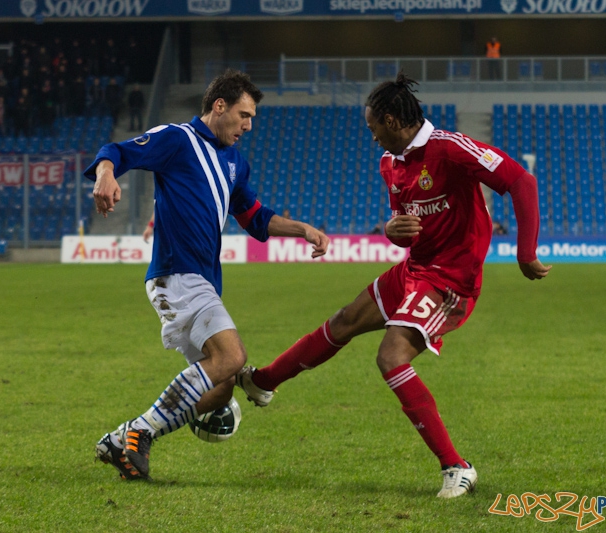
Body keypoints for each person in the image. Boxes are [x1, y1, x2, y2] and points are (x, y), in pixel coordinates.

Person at [235, 73, 551, 499]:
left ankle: (456, 467)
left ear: (391, 120)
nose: (372, 138)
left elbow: (520, 181)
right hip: (414, 270)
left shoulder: (450, 148)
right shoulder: (392, 163)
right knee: (344, 321)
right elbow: (404, 225)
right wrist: (392, 229)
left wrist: (525, 253)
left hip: (450, 282)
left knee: (391, 356)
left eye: (373, 129)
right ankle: (264, 381)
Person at [88, 70, 330, 481]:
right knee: (232, 358)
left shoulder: (236, 161)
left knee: (219, 387)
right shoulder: (178, 140)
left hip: (201, 280)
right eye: (243, 114)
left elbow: (254, 218)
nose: (248, 126)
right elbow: (117, 150)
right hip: (177, 273)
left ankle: (125, 438)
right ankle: (138, 435)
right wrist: (105, 173)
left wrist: (302, 228)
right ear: (219, 106)